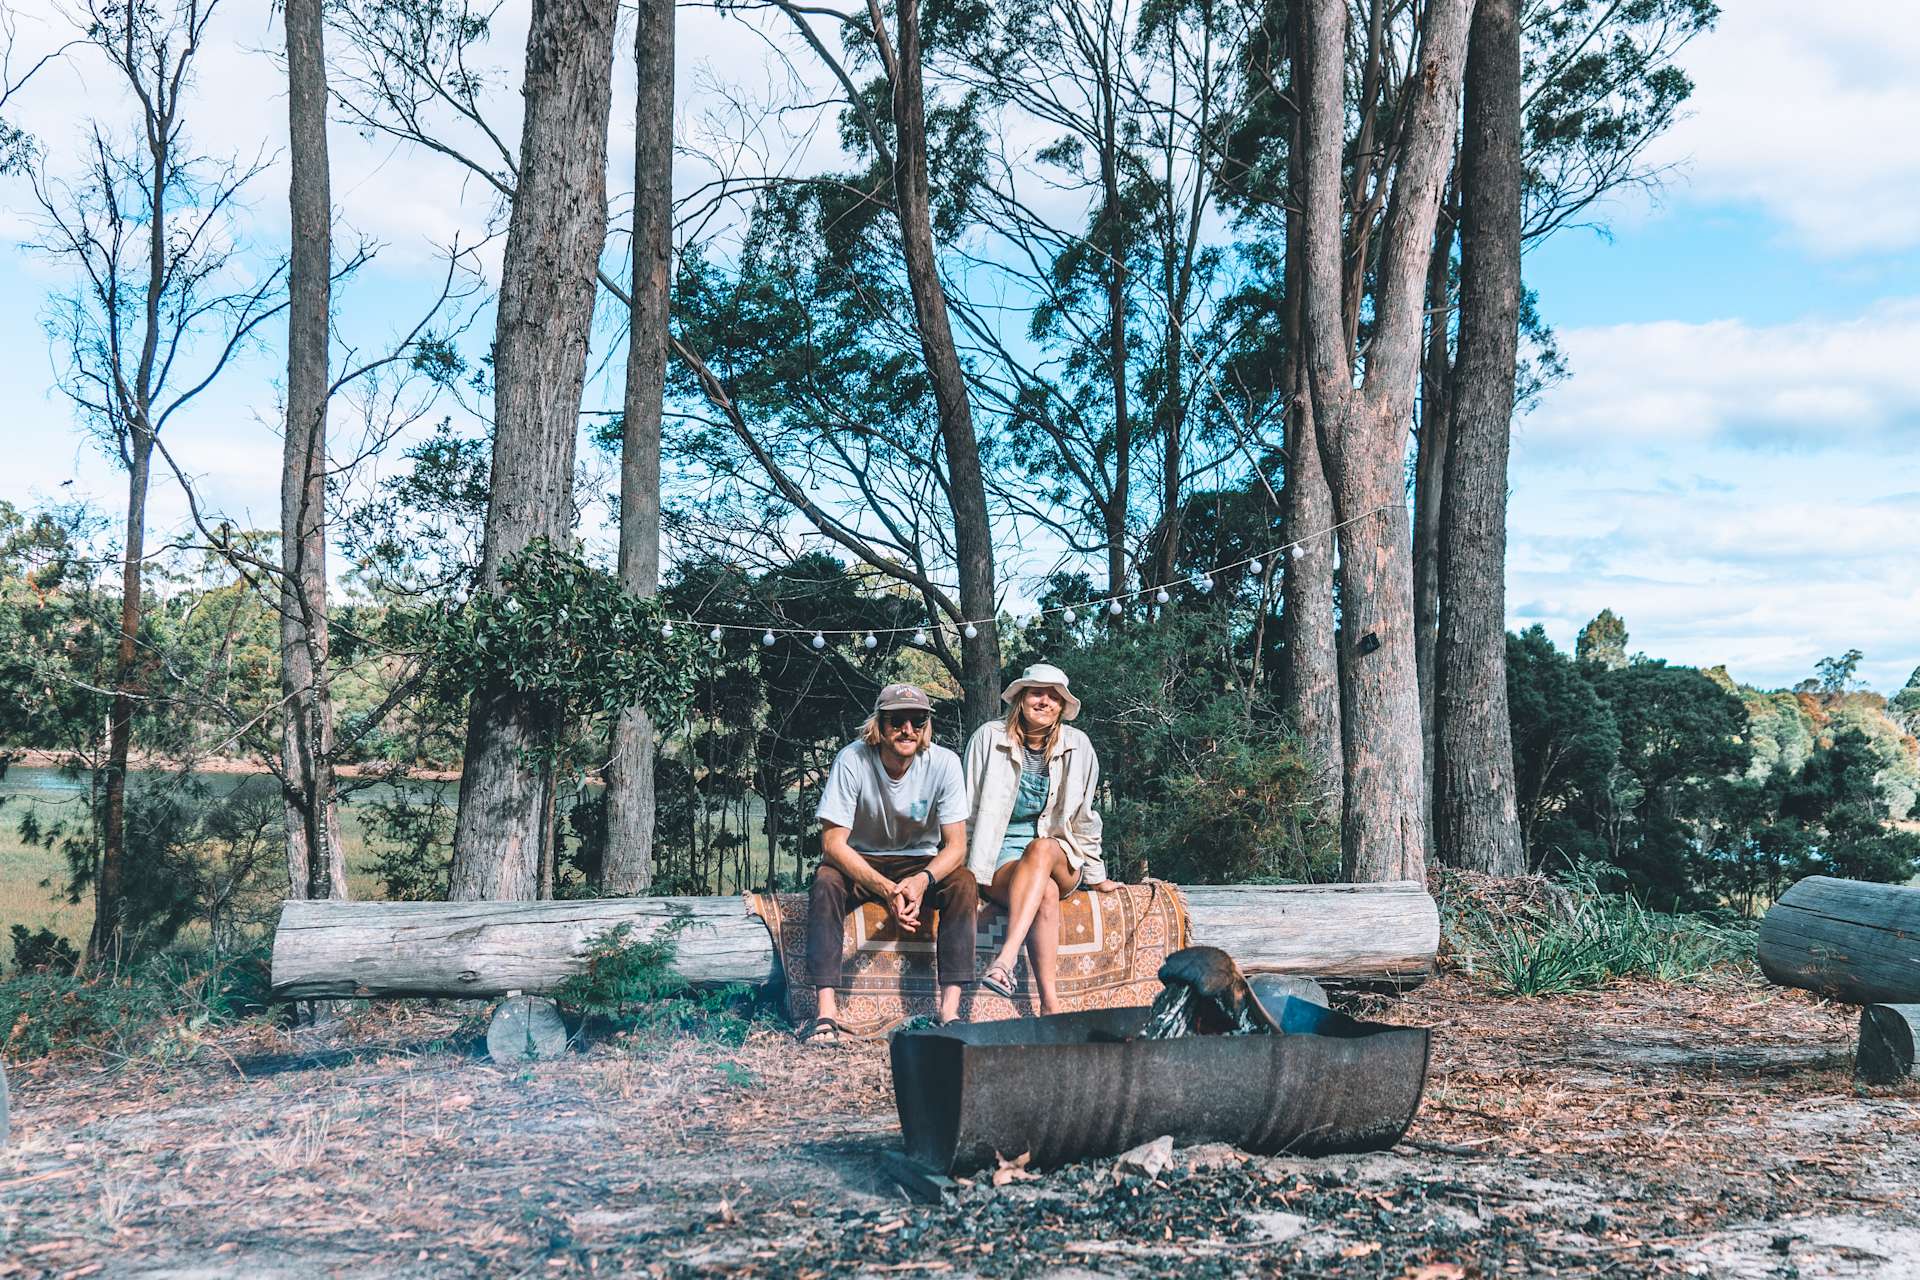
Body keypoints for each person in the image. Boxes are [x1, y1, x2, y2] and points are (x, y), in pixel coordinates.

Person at [804, 683, 975, 1042]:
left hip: (920, 859)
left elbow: (957, 846)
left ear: (926, 726)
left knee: (963, 882)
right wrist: (885, 889)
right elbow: (833, 843)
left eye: (917, 721)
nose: (907, 730)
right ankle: (825, 1012)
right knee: (825, 882)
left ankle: (950, 1011)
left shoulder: (944, 763)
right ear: (879, 725)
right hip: (861, 857)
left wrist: (922, 880)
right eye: (897, 721)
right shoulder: (852, 760)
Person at [964, 663, 1118, 1014]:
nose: (1044, 701)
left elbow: (1084, 816)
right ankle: (1050, 1005)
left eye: (1054, 696)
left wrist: (1096, 875)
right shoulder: (988, 737)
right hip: (1001, 856)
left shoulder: (1079, 746)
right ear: (1019, 698)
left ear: (1063, 707)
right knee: (1045, 892)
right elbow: (968, 809)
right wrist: (967, 874)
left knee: (1043, 847)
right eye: (1036, 692)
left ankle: (1004, 962)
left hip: (1059, 853)